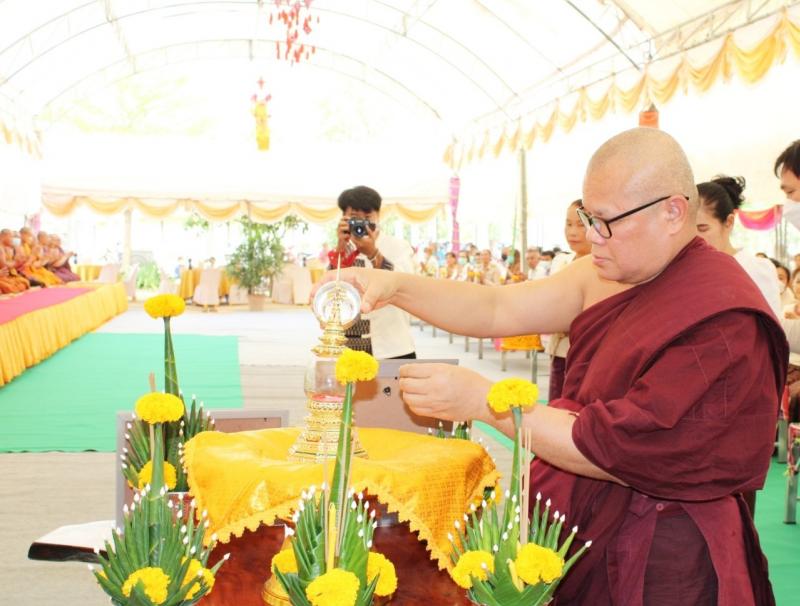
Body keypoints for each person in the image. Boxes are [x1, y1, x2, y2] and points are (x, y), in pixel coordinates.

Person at [317, 128, 787, 605]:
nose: (590, 236)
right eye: (587, 217)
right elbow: (497, 308)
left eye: (606, 221)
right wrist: (395, 287)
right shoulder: (604, 272)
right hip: (576, 519)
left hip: (668, 547)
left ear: (672, 212)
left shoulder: (721, 313)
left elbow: (621, 448)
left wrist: (485, 402)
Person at [327, 185, 415, 359]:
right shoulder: (341, 250)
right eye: (354, 218)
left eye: (367, 217)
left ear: (378, 216)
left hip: (392, 346)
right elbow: (329, 290)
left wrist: (373, 253)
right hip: (348, 347)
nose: (362, 224)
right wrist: (340, 248)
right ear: (343, 218)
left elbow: (407, 284)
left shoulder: (398, 247)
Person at [695, 176, 781, 318]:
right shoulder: (689, 269)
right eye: (689, 230)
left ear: (729, 222)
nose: (695, 238)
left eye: (703, 228)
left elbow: (772, 325)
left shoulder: (757, 270)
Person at [544, 200, 592, 400]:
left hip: (588, 356)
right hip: (560, 351)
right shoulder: (561, 261)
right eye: (568, 224)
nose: (572, 232)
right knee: (556, 403)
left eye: (581, 225)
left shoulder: (604, 266)